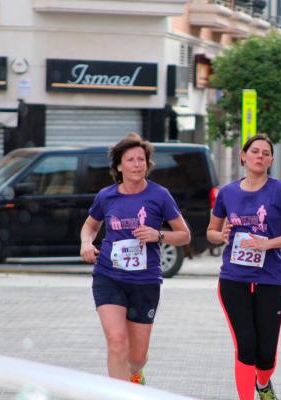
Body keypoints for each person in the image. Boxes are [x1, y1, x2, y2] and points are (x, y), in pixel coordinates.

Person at [80, 133, 190, 384]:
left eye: (142, 159)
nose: (137, 164)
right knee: (117, 342)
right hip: (109, 276)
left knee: (137, 356)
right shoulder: (106, 196)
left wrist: (157, 234)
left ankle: (135, 374)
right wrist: (86, 243)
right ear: (119, 166)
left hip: (145, 281)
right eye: (131, 160)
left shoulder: (160, 195)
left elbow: (184, 235)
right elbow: (90, 226)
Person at [206, 134, 281, 400]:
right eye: (255, 151)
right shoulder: (227, 193)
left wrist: (269, 243)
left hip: (271, 280)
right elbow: (211, 232)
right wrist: (222, 235)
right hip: (233, 279)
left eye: (265, 153)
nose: (260, 156)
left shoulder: (280, 190)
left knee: (266, 355)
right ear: (243, 156)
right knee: (245, 346)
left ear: (271, 160)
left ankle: (263, 384)